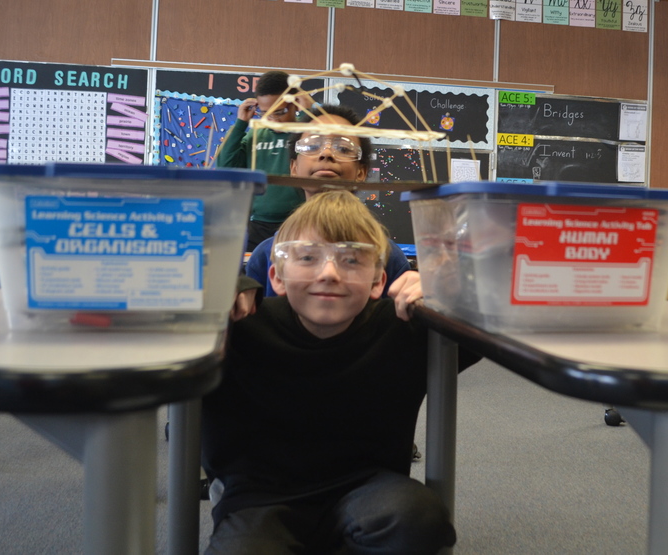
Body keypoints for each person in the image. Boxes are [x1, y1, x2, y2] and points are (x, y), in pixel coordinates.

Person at [202, 190, 477, 554]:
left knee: (419, 518)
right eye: (307, 257)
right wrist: (216, 293)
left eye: (351, 259)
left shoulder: (402, 328)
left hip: (369, 487)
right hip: (258, 496)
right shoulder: (244, 327)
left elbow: (493, 327)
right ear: (277, 276)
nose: (329, 273)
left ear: (379, 281)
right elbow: (158, 313)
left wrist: (448, 296)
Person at [244, 104, 418, 304]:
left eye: (343, 148)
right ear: (294, 167)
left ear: (361, 172)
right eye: (312, 146)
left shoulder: (388, 256)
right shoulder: (267, 255)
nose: (326, 153)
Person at [216, 70, 311, 251]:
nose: (273, 119)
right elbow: (225, 166)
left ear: (295, 104)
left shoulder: (306, 131)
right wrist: (240, 123)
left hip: (297, 222)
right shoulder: (256, 133)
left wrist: (309, 114)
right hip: (258, 225)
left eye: (280, 112)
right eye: (265, 113)